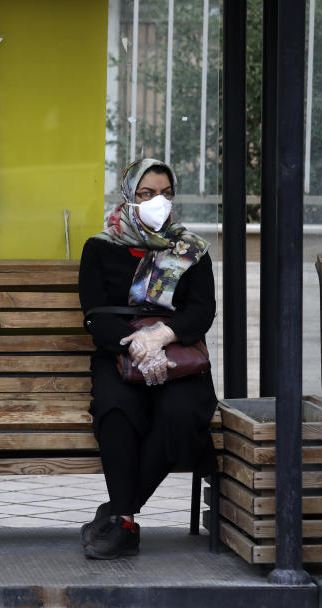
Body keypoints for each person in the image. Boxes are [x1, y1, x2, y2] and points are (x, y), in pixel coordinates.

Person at [77, 158, 217, 560]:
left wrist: (161, 335)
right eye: (147, 193)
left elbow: (202, 311)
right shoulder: (101, 247)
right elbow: (94, 313)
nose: (158, 201)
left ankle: (120, 515)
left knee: (181, 415)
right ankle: (123, 523)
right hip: (119, 353)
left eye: (166, 193)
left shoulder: (191, 249)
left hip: (180, 356)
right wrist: (135, 344)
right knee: (117, 410)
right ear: (129, 196)